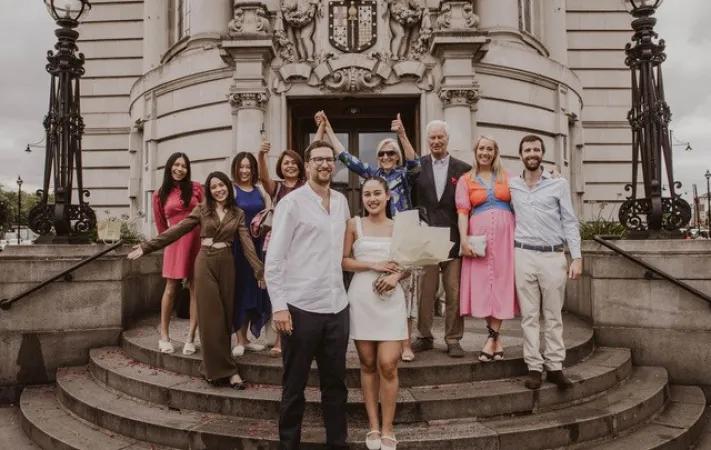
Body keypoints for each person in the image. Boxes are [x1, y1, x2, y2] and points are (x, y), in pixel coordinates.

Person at [128, 171, 265, 389]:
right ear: (209, 192)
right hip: (205, 263)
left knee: (226, 317)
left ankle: (213, 368)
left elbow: (247, 243)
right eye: (214, 187)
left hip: (227, 263)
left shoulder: (237, 213)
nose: (219, 189)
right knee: (211, 318)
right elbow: (177, 230)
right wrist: (147, 246)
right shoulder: (202, 210)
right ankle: (229, 372)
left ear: (228, 188)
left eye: (222, 185)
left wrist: (259, 270)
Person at [314, 110, 419, 361]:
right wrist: (328, 129)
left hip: (399, 233)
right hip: (374, 235)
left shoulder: (405, 174)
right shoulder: (373, 177)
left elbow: (415, 163)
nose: (386, 156)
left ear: (397, 156)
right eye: (382, 153)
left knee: (405, 291)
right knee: (380, 291)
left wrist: (402, 135)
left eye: (391, 153)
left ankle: (405, 343)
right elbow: (346, 158)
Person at [266, 140, 351, 449]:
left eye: (329, 160)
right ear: (307, 165)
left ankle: (337, 443)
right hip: (300, 308)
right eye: (318, 160)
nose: (324, 164)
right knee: (293, 386)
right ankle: (289, 444)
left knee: (336, 386)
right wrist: (279, 307)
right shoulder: (292, 203)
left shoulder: (341, 201)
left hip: (337, 306)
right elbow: (274, 259)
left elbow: (345, 250)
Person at [509, 134, 583, 390]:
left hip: (553, 256)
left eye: (536, 150)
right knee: (529, 316)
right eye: (527, 149)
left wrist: (577, 257)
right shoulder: (512, 185)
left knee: (553, 315)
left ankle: (555, 367)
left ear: (542, 154)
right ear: (520, 155)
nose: (532, 153)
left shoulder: (557, 184)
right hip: (523, 254)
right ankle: (533, 367)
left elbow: (570, 221)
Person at [342, 177, 408, 450]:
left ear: (387, 196)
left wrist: (396, 277)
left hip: (391, 300)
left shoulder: (400, 226)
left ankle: (389, 428)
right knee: (367, 363)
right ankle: (373, 426)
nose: (372, 198)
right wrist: (374, 265)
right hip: (362, 298)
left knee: (388, 364)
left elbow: (411, 259)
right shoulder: (353, 225)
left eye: (377, 193)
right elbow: (344, 261)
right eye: (367, 194)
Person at [410, 120, 472, 357]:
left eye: (440, 137)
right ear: (427, 141)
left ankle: (453, 338)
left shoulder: (464, 169)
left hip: (454, 238)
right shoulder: (417, 167)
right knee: (425, 292)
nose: (436, 142)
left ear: (447, 139)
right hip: (427, 239)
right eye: (432, 138)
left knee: (453, 291)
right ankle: (424, 336)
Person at [456, 136, 518, 362]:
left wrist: (552, 175)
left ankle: (491, 339)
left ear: (495, 152)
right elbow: (462, 212)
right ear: (476, 151)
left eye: (489, 149)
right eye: (481, 148)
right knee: (485, 285)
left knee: (501, 283)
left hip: (505, 236)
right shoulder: (466, 179)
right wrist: (464, 239)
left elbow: (526, 197)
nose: (485, 152)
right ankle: (495, 340)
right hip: (479, 237)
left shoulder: (508, 177)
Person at [257, 141, 306, 357]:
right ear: (281, 166)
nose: (290, 166)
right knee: (279, 291)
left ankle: (301, 336)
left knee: (298, 290)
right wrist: (261, 154)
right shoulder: (277, 187)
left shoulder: (306, 185)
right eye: (286, 163)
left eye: (294, 163)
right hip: (279, 244)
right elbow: (263, 177)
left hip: (301, 245)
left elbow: (313, 152)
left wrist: (321, 128)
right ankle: (279, 339)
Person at [151, 152, 203, 355]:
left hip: (197, 241)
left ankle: (191, 337)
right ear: (169, 167)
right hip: (174, 242)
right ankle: (164, 336)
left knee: (195, 289)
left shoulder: (197, 188)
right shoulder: (159, 194)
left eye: (184, 166)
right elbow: (161, 226)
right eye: (176, 165)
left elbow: (205, 214)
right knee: (171, 289)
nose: (180, 169)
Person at [230, 152, 272, 357]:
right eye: (241, 167)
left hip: (257, 246)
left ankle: (246, 339)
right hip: (238, 249)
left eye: (248, 167)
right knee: (239, 292)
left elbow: (268, 212)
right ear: (236, 168)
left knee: (252, 293)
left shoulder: (260, 189)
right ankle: (239, 339)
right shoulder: (232, 190)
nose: (245, 171)